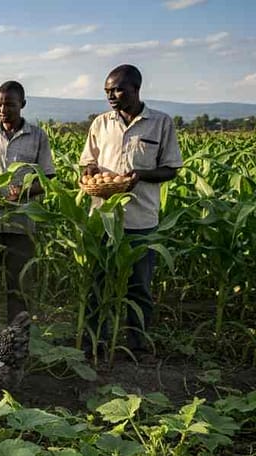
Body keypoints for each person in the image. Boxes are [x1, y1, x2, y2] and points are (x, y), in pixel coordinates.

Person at [79, 64, 182, 359]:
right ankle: (93, 340)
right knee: (98, 282)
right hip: (104, 218)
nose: (111, 95)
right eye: (107, 91)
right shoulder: (100, 123)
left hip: (141, 219)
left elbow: (171, 169)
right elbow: (89, 161)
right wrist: (89, 172)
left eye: (118, 89)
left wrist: (140, 175)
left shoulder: (160, 123)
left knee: (139, 286)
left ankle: (137, 345)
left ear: (136, 89)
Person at [0, 81, 56, 330]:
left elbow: (48, 179)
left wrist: (25, 191)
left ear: (22, 105)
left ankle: (16, 338)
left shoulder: (38, 136)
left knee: (18, 284)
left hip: (22, 224)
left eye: (9, 104)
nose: (3, 109)